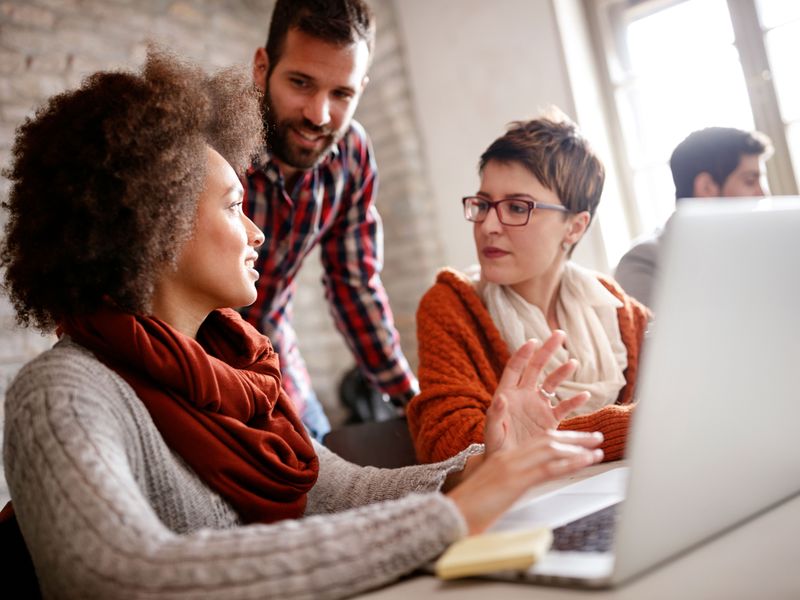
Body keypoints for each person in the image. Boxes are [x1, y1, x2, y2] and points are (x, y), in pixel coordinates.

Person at [0, 51, 605, 599]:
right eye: (236, 207)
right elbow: (123, 576)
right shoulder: (63, 394)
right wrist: (450, 517)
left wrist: (481, 465)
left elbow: (336, 492)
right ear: (156, 225)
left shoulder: (238, 371)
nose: (259, 232)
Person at [407, 113, 651, 464]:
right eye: (483, 204)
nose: (489, 225)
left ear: (575, 227)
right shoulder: (453, 305)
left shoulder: (613, 309)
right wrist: (634, 426)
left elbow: (687, 393)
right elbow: (447, 447)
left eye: (517, 207)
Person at [241, 0, 416, 440]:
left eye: (342, 94)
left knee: (316, 453)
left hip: (271, 343)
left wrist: (410, 400)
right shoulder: (214, 139)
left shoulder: (353, 154)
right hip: (187, 347)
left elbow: (354, 285)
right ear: (263, 67)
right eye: (301, 83)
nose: (319, 115)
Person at [614, 126, 772, 307]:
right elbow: (661, 335)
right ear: (706, 188)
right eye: (750, 181)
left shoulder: (761, 249)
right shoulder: (643, 263)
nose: (762, 194)